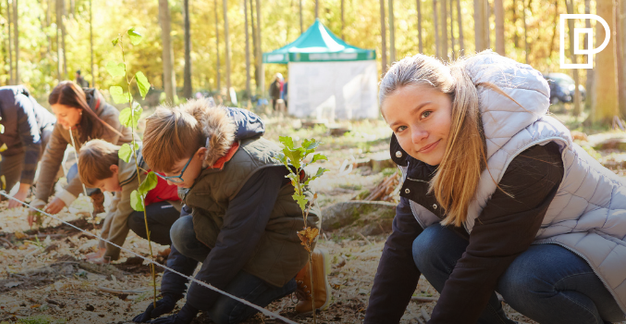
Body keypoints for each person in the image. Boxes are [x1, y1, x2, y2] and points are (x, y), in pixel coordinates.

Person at [364, 52, 626, 324]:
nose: (417, 136)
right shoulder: (425, 158)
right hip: (544, 246)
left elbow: (483, 261)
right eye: (401, 127)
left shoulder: (527, 151)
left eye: (426, 113)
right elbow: (401, 248)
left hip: (610, 251)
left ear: (456, 99)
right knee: (429, 245)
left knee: (526, 276)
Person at [133, 99, 328, 324]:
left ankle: (299, 272)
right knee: (182, 231)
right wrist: (169, 294)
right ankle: (241, 280)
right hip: (250, 232)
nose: (171, 181)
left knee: (223, 314)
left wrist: (189, 309)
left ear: (200, 154)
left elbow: (235, 244)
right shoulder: (196, 158)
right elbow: (191, 217)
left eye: (174, 172)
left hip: (286, 235)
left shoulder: (251, 167)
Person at [29, 81, 133, 221]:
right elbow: (51, 158)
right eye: (56, 114)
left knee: (87, 172)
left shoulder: (108, 117)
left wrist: (66, 196)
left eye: (64, 114)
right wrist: (39, 198)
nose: (59, 120)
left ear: (79, 107)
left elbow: (100, 162)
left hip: (126, 167)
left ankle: (123, 209)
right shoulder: (62, 126)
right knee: (74, 172)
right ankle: (99, 203)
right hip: (101, 169)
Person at [76, 139, 182, 264]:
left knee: (136, 219)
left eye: (102, 185)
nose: (103, 190)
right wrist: (103, 247)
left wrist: (109, 256)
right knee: (136, 217)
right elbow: (114, 209)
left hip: (183, 205)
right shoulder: (125, 167)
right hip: (168, 203)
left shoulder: (132, 173)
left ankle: (181, 245)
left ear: (114, 169)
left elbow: (121, 216)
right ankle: (177, 246)